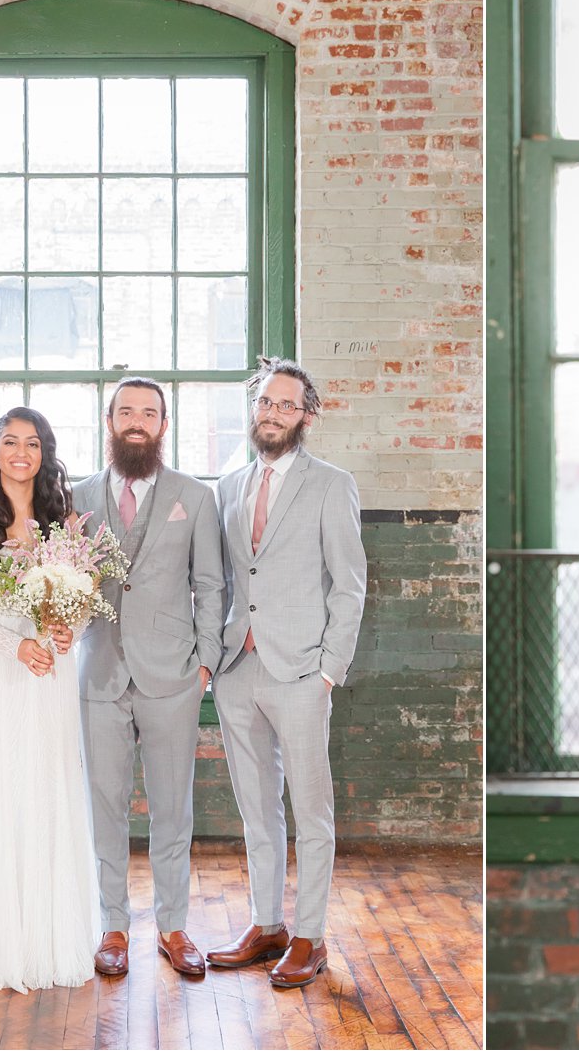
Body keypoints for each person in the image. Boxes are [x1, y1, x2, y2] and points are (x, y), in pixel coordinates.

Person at [206, 357, 367, 988]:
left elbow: (349, 585)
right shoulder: (227, 488)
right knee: (256, 807)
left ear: (306, 415)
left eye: (286, 405)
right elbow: (223, 580)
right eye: (265, 403)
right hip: (237, 667)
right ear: (254, 410)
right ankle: (267, 923)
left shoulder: (331, 484)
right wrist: (215, 660)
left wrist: (329, 669)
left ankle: (309, 936)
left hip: (302, 671)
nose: (273, 413)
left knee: (311, 808)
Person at [0, 406, 99, 992]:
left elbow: (81, 596)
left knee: (49, 787)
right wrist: (16, 645)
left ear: (45, 452)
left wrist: (66, 631)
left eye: (33, 443)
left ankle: (52, 936)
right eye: (10, 441)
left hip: (50, 674)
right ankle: (1, 939)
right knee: (2, 787)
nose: (21, 452)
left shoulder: (67, 521)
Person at [72, 377, 225, 978]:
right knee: (104, 804)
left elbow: (211, 585)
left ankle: (173, 926)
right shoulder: (75, 496)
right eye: (126, 411)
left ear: (164, 425)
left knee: (171, 807)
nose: (138, 421)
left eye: (150, 413)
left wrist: (206, 660)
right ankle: (112, 925)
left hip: (174, 674)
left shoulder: (195, 496)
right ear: (109, 421)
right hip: (100, 672)